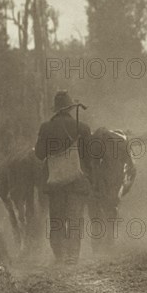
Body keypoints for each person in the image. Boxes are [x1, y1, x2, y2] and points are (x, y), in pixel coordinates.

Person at [35, 90, 92, 264]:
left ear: (56, 109)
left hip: (56, 182)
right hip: (77, 181)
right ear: (69, 108)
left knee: (57, 220)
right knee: (75, 219)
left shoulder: (46, 127)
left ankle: (59, 256)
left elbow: (39, 154)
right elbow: (88, 156)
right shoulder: (82, 128)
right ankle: (73, 256)